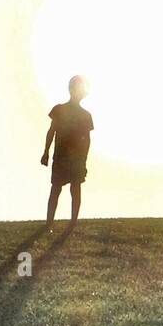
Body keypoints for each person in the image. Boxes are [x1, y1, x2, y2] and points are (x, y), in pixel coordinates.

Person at [41, 75, 93, 227]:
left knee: (72, 188)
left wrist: (84, 160)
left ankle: (70, 223)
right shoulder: (60, 110)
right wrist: (46, 152)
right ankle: (51, 223)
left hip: (74, 158)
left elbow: (87, 140)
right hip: (62, 157)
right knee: (59, 188)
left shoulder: (85, 115)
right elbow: (52, 131)